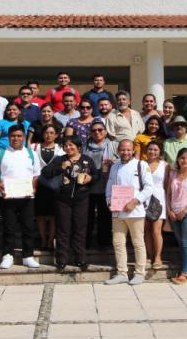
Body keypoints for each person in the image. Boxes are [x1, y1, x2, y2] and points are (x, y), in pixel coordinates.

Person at [42, 135, 100, 271]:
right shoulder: (60, 159)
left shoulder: (87, 160)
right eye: (65, 145)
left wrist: (90, 178)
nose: (68, 148)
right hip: (62, 199)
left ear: (78, 146)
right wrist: (61, 167)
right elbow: (45, 172)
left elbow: (97, 175)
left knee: (80, 229)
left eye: (71, 145)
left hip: (82, 199)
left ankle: (80, 258)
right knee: (63, 229)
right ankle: (61, 259)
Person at [0, 126, 41, 269]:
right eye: (13, 136)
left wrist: (33, 188)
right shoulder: (0, 153)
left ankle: (28, 256)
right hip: (8, 196)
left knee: (28, 227)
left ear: (23, 137)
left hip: (27, 196)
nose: (16, 138)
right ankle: (7, 255)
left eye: (19, 136)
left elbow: (36, 174)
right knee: (9, 227)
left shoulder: (31, 153)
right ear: (8, 137)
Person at [104, 140, 152, 286]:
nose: (125, 152)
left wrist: (135, 201)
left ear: (133, 150)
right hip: (118, 211)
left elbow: (149, 188)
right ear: (118, 151)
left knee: (138, 242)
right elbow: (110, 185)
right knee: (118, 242)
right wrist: (109, 201)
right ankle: (122, 273)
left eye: (128, 150)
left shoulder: (141, 165)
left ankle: (139, 273)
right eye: (123, 150)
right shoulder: (115, 167)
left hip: (135, 211)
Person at [166, 148, 187, 284]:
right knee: (181, 243)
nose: (185, 160)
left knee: (186, 243)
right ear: (178, 159)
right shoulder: (172, 174)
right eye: (182, 158)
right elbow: (168, 193)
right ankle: (186, 270)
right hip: (174, 213)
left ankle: (185, 273)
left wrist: (184, 211)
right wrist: (169, 210)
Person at [84, 121, 117, 251]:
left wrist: (113, 162)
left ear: (105, 131)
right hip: (88, 186)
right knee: (87, 217)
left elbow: (122, 160)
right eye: (94, 130)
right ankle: (85, 243)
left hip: (106, 186)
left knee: (105, 217)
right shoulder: (85, 146)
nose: (97, 132)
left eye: (100, 130)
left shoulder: (113, 145)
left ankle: (104, 243)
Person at [32, 125, 64, 253]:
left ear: (56, 135)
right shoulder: (34, 147)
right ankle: (43, 239)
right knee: (40, 215)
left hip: (55, 186)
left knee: (53, 215)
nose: (49, 135)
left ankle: (51, 240)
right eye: (46, 132)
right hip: (38, 185)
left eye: (52, 133)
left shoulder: (61, 149)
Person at [143, 141, 168, 269]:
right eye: (150, 149)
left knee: (156, 230)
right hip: (144, 199)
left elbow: (168, 185)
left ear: (160, 152)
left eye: (155, 150)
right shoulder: (141, 164)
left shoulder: (165, 165)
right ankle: (149, 255)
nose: (152, 152)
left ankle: (158, 257)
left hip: (159, 199)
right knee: (146, 230)